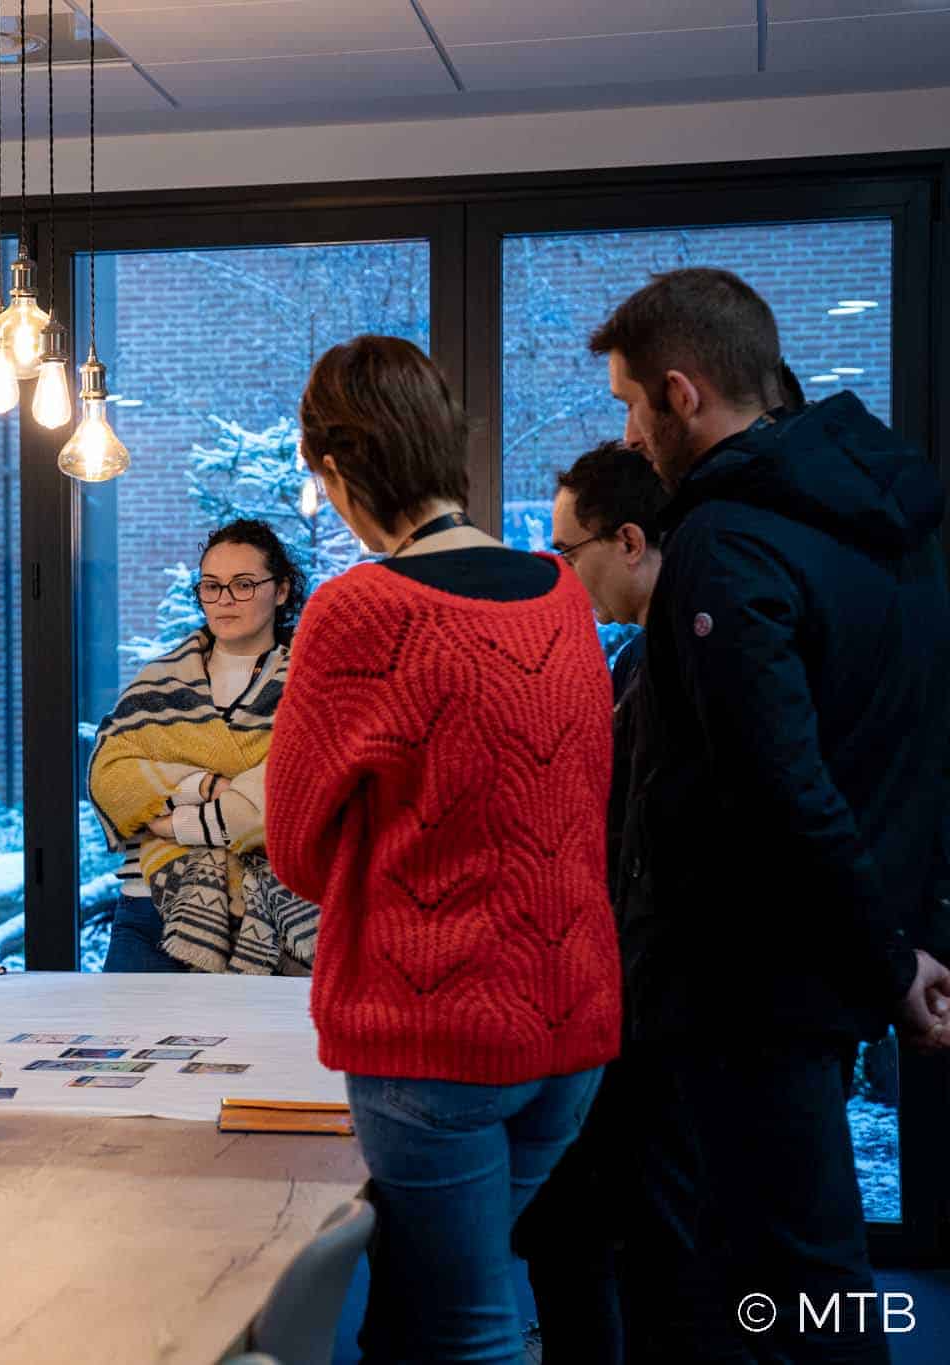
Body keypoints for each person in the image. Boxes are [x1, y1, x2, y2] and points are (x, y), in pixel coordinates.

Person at [589, 268, 950, 1362]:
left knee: (799, 1282)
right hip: (818, 965)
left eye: (626, 402)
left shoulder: (724, 538)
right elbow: (904, 749)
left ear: (680, 392)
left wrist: (888, 960)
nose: (628, 432)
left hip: (743, 982)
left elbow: (776, 785)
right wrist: (899, 939)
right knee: (776, 1267)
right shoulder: (874, 518)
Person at [262, 336, 622, 1362]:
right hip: (569, 1027)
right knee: (424, 1304)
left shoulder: (360, 610)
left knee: (468, 1329)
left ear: (333, 469)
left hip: (434, 1037)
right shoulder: (557, 592)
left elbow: (292, 849)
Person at [511, 439, 668, 1364]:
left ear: (632, 541)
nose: (562, 574)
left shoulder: (677, 667)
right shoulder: (635, 663)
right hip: (610, 993)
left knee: (593, 1243)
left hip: (639, 1009)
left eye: (569, 551)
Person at [88, 519, 320, 975]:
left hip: (273, 913)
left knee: (256, 1048)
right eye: (211, 586)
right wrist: (207, 783)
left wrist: (173, 822)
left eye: (243, 584)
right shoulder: (157, 681)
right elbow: (109, 775)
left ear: (281, 590)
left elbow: (296, 792)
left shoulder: (315, 682)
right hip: (149, 910)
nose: (224, 600)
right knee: (128, 1046)